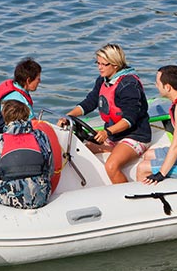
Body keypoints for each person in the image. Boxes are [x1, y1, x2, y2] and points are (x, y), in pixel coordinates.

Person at [58, 43, 152, 184]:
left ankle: (127, 195)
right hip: (114, 135)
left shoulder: (129, 86)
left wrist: (107, 132)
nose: (99, 67)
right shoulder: (103, 80)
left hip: (135, 136)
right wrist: (68, 116)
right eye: (98, 63)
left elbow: (129, 119)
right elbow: (89, 102)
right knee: (81, 150)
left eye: (103, 64)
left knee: (111, 166)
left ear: (115, 64)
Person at [0, 100, 53, 209]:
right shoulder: (41, 136)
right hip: (41, 196)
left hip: (9, 199)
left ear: (5, 116)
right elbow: (49, 169)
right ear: (26, 115)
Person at [0, 58, 42, 159]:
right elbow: (35, 125)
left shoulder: (14, 86)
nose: (39, 81)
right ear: (28, 80)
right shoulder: (18, 99)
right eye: (38, 79)